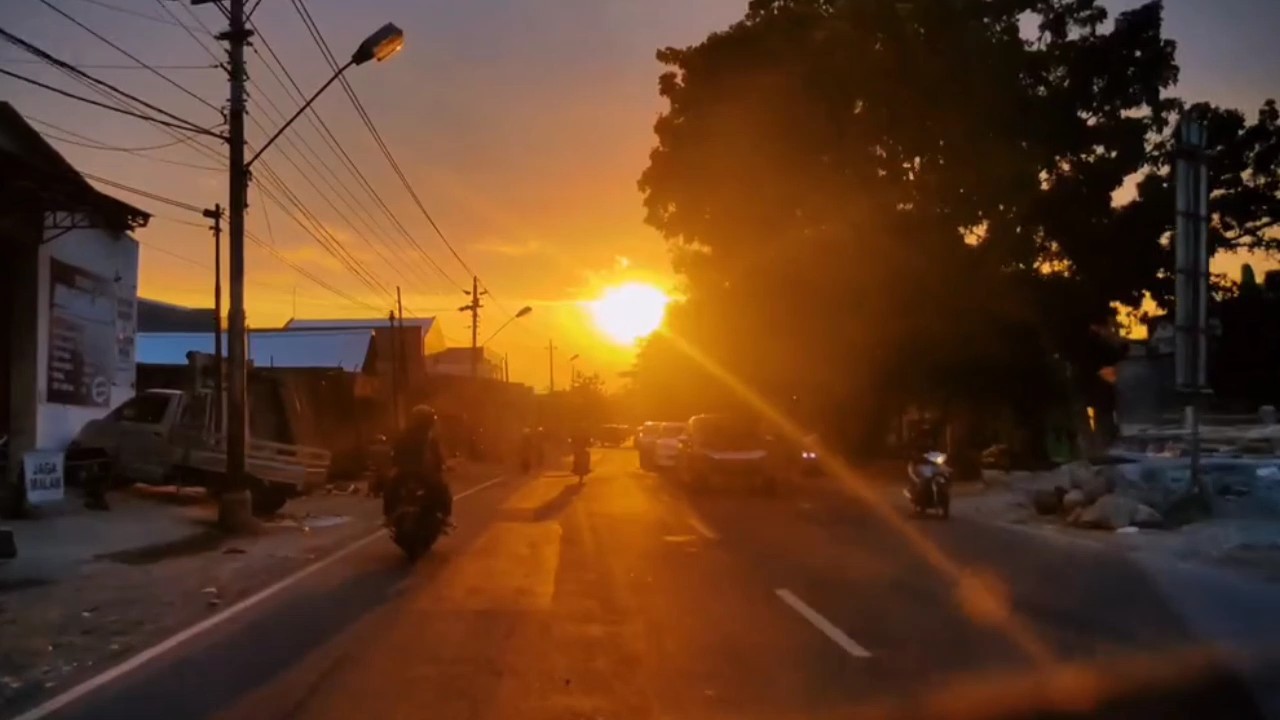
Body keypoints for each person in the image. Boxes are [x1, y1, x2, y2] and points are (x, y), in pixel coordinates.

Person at [385, 405, 450, 521]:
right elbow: (438, 458)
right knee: (442, 488)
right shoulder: (429, 438)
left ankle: (389, 515)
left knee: (390, 487)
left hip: (406, 472)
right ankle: (444, 516)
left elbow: (395, 454)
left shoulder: (405, 436)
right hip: (421, 473)